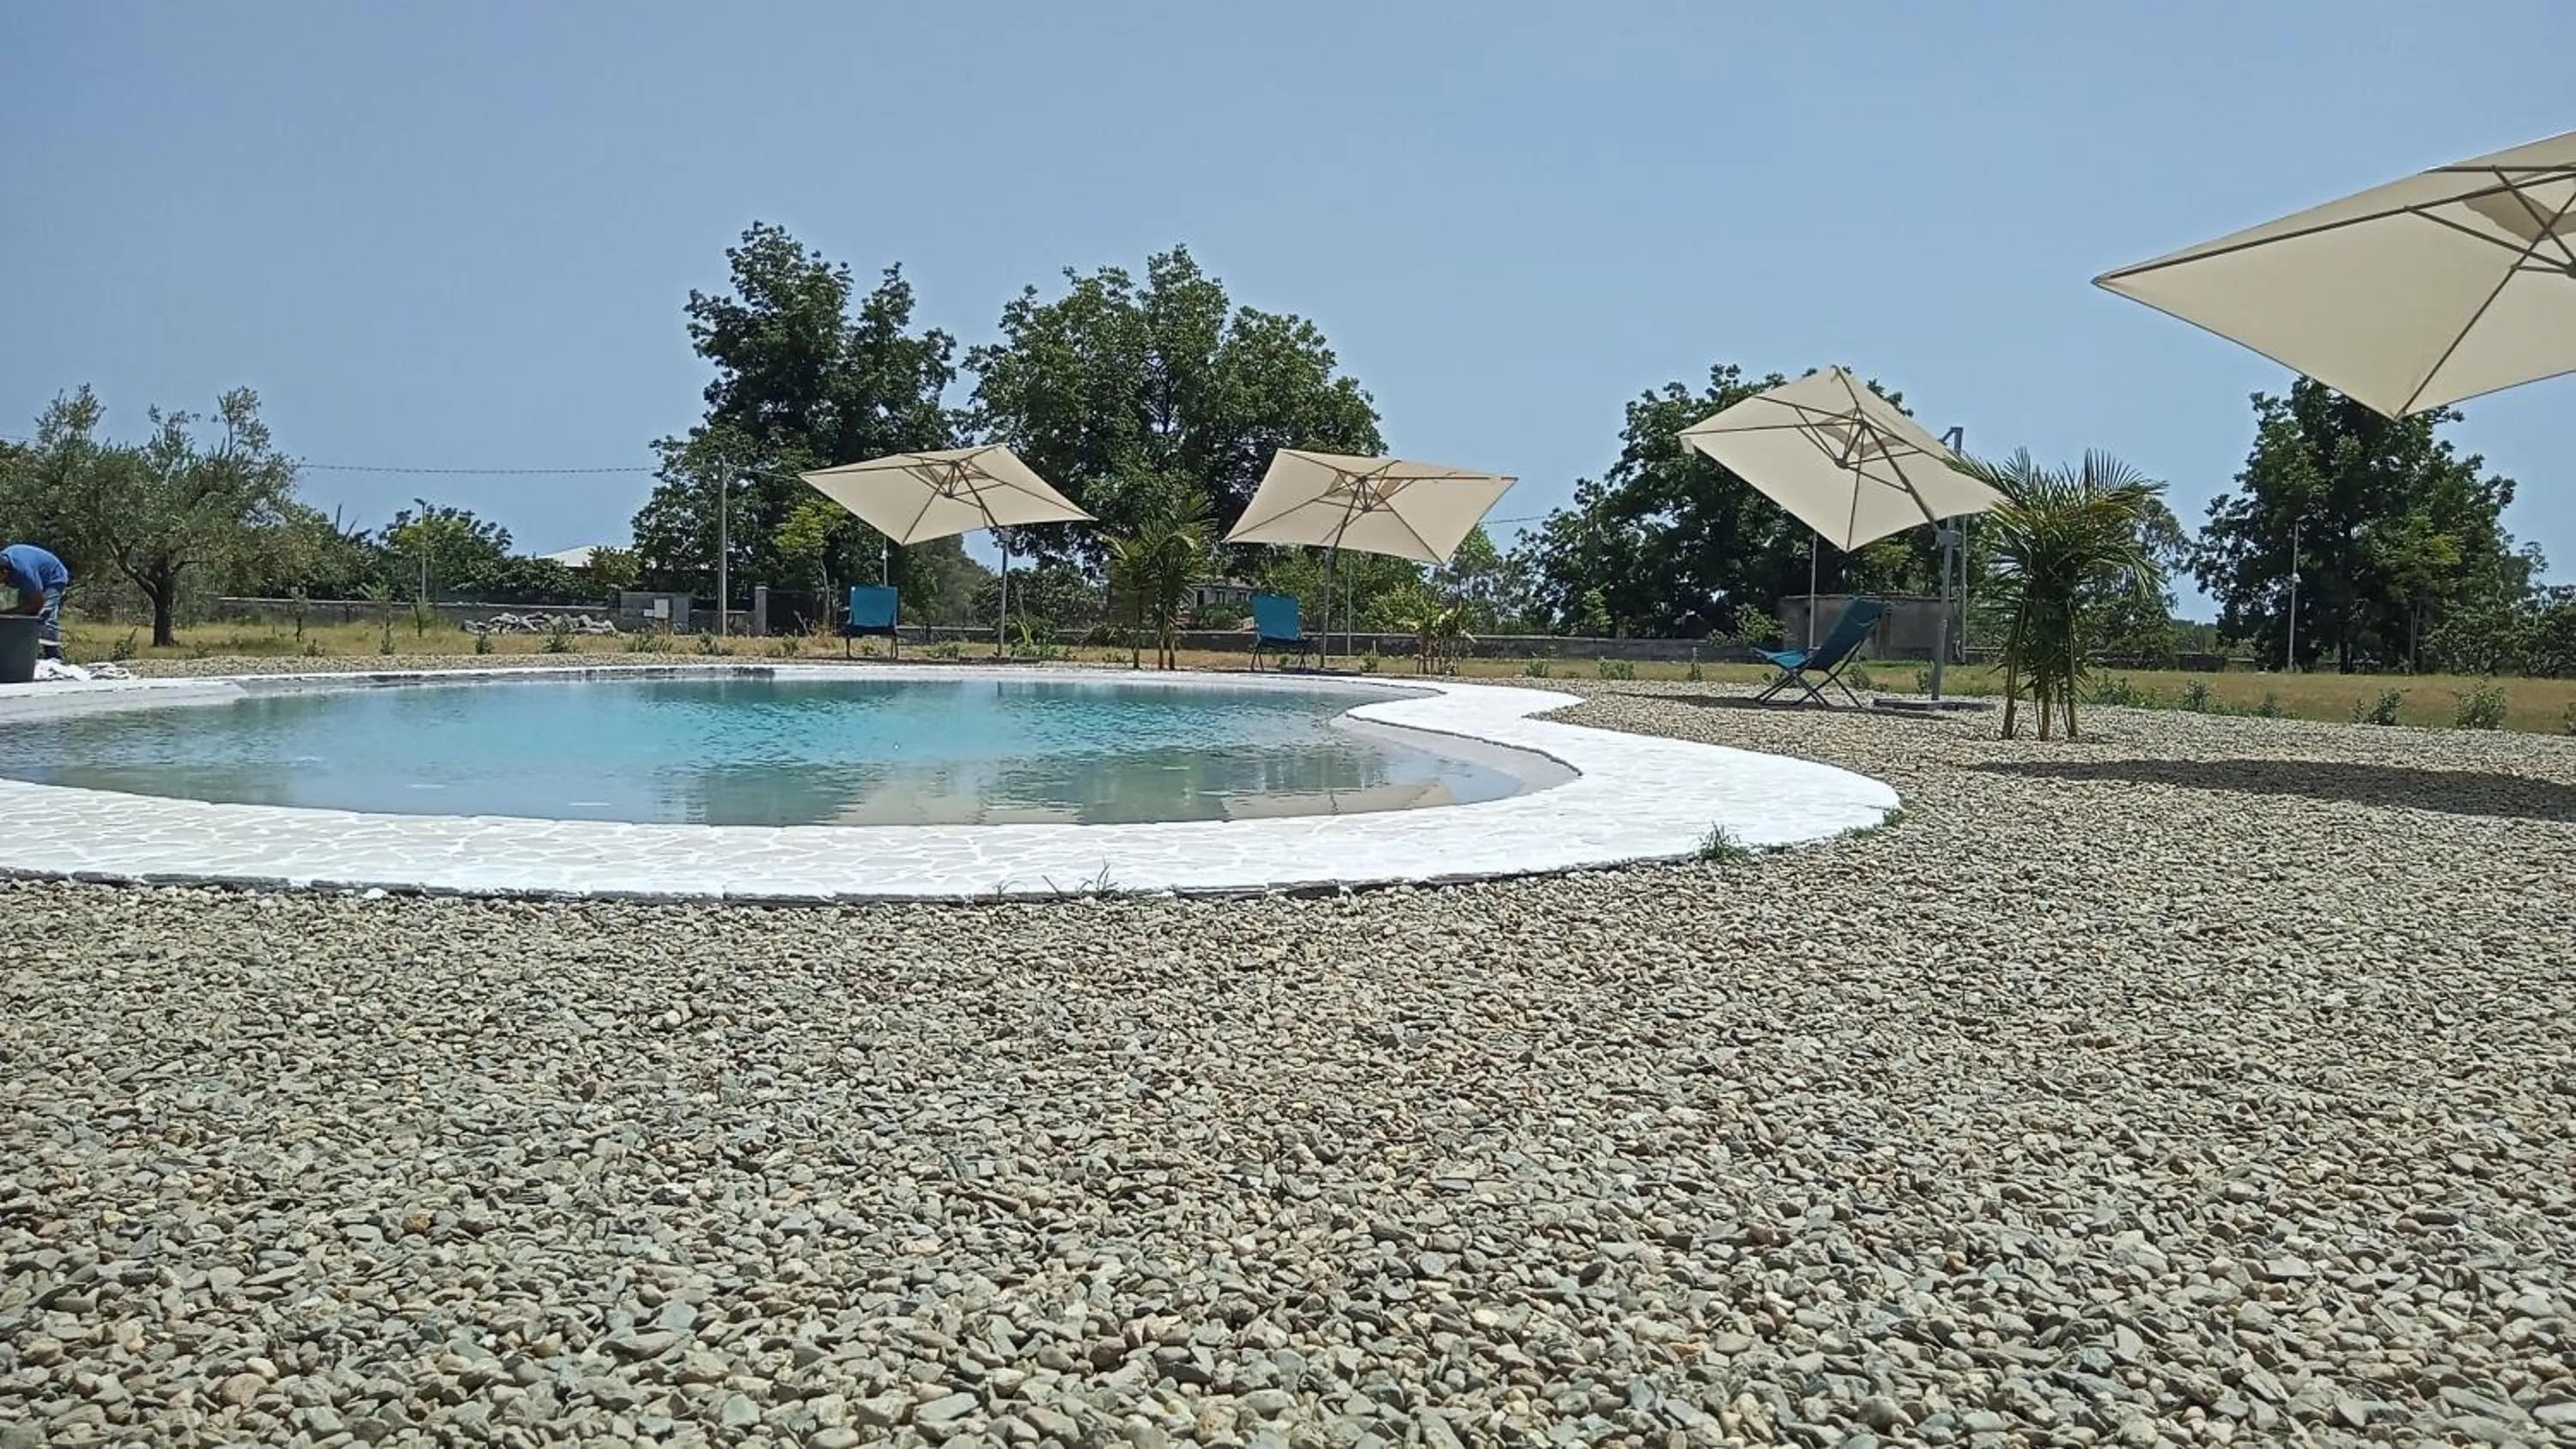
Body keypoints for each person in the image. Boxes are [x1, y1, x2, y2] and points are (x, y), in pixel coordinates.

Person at [0, 543, 71, 659]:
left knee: (44, 615)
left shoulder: (24, 572)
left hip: (53, 576)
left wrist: (6, 614)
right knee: (23, 618)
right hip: (34, 575)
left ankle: (53, 655)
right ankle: (24, 652)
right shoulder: (5, 562)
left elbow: (37, 603)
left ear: (5, 572)